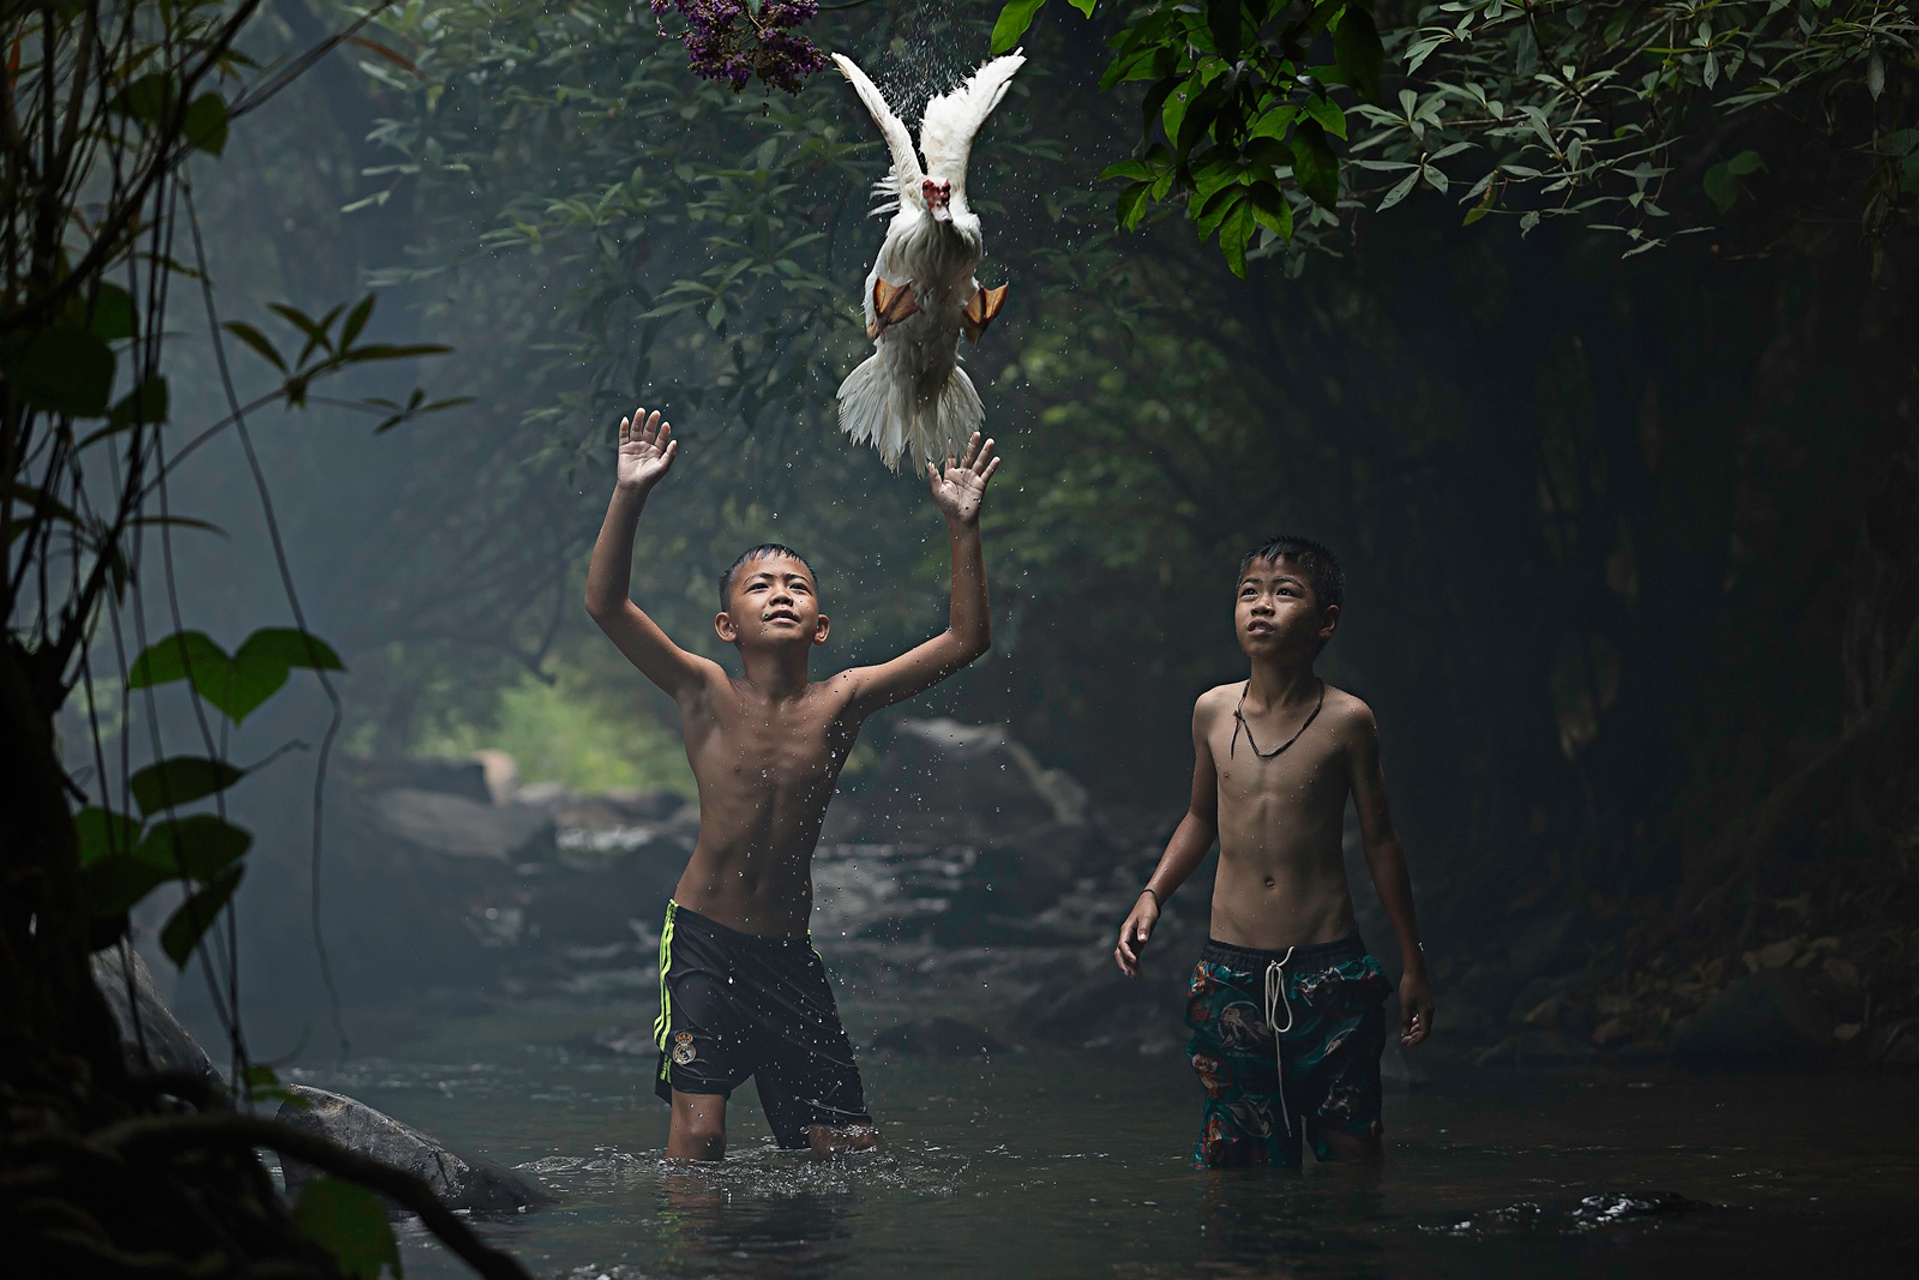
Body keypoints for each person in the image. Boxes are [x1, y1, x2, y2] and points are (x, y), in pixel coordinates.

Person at [585, 406, 1001, 1160]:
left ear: (820, 626)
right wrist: (630, 492)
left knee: (845, 1149)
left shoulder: (841, 700)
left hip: (785, 951)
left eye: (797, 586)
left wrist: (962, 525)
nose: (780, 592)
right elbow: (606, 606)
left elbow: (966, 640)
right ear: (725, 624)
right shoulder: (703, 691)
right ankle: (694, 1258)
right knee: (702, 1137)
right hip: (705, 942)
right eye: (760, 586)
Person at [1113, 535, 1433, 1169]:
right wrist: (1152, 893)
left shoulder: (1348, 721)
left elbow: (1380, 840)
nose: (1261, 605)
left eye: (1286, 593)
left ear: (1326, 622)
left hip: (1329, 971)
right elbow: (1202, 816)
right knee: (1236, 1161)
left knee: (1352, 1152)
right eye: (1249, 592)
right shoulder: (1211, 711)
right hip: (1229, 971)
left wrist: (1412, 963)